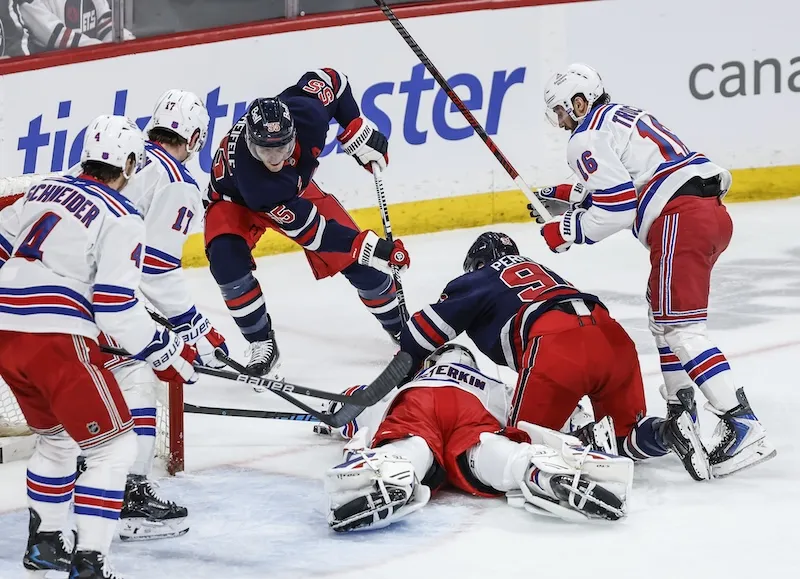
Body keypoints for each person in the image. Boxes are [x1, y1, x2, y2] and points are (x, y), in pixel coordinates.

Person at [536, 63, 775, 477]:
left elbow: (617, 206)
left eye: (561, 111)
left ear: (579, 102)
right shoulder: (622, 116)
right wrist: (563, 195)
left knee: (682, 330)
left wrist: (567, 229)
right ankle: (684, 416)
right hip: (705, 215)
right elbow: (629, 179)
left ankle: (742, 424)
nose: (560, 123)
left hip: (679, 220)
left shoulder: (585, 135)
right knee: (662, 320)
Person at [0, 115, 198, 578]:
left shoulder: (45, 188)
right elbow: (114, 306)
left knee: (56, 438)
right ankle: (92, 562)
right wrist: (166, 351)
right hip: (55, 339)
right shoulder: (123, 215)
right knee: (113, 449)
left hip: (5, 330)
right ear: (128, 163)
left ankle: (45, 546)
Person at [396, 231, 710, 481]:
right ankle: (667, 432)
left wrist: (403, 371)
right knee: (625, 438)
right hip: (613, 339)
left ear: (478, 264)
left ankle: (587, 441)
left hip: (556, 346)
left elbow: (423, 334)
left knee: (519, 447)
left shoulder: (479, 278)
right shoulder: (545, 273)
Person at [205, 68, 409, 378]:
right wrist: (373, 246)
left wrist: (354, 124)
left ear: (294, 134)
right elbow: (316, 234)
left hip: (290, 193)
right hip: (234, 200)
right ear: (250, 141)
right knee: (226, 262)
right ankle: (262, 343)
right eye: (264, 150)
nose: (274, 159)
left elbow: (334, 80)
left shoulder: (309, 114)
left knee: (358, 266)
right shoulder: (259, 180)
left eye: (282, 148)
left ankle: (403, 330)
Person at [97, 89, 226, 541]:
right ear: (194, 135)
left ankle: (89, 472)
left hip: (66, 294)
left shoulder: (125, 159)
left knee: (96, 384)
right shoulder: (178, 182)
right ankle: (132, 495)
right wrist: (196, 324)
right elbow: (154, 267)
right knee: (140, 380)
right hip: (111, 300)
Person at [323, 343, 634, 531]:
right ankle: (540, 470)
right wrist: (581, 426)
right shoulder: (491, 384)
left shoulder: (413, 381)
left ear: (431, 363)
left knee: (412, 442)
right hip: (471, 409)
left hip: (418, 401)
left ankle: (391, 475)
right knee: (486, 444)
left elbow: (352, 405)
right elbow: (544, 405)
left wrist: (331, 413)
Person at [16, 0, 134, 53]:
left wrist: (126, 42)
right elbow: (56, 36)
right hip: (54, 76)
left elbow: (105, 21)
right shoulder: (27, 2)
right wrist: (102, 50)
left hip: (96, 66)